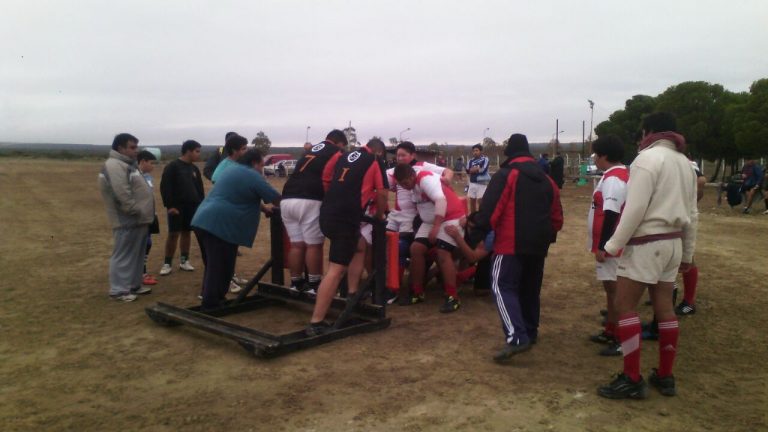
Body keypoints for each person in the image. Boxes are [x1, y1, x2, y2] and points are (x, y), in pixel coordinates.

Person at [597, 112, 698, 399]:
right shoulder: (686, 164)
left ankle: (631, 378)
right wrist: (687, 253)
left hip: (646, 243)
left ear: (649, 131)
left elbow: (635, 208)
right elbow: (693, 213)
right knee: (664, 308)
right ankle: (665, 375)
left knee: (625, 307)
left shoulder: (647, 159)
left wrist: (612, 245)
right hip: (673, 243)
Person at [470, 133, 563, 364]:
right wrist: (546, 238)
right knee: (530, 288)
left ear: (508, 153)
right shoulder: (546, 179)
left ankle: (517, 337)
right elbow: (557, 217)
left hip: (510, 242)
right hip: (539, 245)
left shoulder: (506, 175)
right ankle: (530, 332)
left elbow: (490, 210)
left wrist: (475, 237)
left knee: (502, 285)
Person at [306, 139, 388, 336]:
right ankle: (316, 321)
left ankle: (352, 294)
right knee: (336, 269)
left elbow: (326, 178)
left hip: (327, 213)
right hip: (345, 217)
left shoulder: (343, 157)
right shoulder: (374, 160)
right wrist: (379, 215)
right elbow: (383, 192)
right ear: (379, 151)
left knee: (359, 245)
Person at [191, 149, 280, 310]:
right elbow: (275, 197)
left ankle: (216, 299)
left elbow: (241, 194)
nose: (262, 168)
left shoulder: (233, 170)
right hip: (219, 225)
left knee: (220, 264)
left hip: (204, 220)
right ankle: (211, 303)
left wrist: (264, 209)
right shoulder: (252, 175)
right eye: (261, 164)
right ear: (254, 163)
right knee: (219, 266)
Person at [385, 141, 452, 303]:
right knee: (382, 243)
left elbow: (447, 171)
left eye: (403, 155)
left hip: (418, 219)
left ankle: (394, 287)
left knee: (400, 247)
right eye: (398, 155)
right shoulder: (394, 171)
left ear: (413, 155)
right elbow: (379, 184)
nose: (399, 158)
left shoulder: (423, 168)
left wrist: (446, 180)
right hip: (398, 216)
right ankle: (385, 281)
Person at [394, 163, 467, 312]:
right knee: (416, 249)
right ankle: (418, 292)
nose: (405, 187)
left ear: (412, 176)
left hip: (450, 217)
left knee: (443, 253)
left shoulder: (425, 178)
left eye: (406, 183)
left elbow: (441, 200)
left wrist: (436, 228)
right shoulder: (412, 184)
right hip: (432, 220)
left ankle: (452, 297)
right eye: (401, 185)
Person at [281, 129, 347, 294]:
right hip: (311, 198)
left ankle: (296, 283)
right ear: (339, 143)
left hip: (288, 197)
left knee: (296, 245)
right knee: (314, 245)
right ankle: (314, 285)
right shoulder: (336, 152)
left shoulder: (311, 150)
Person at [98, 133, 155, 302]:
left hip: (138, 220)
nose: (136, 151)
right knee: (123, 255)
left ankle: (133, 285)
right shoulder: (115, 165)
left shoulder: (127, 164)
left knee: (136, 254)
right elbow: (121, 192)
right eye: (132, 147)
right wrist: (134, 210)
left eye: (136, 147)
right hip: (127, 220)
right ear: (120, 148)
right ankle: (118, 290)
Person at [585, 136, 628, 357]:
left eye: (595, 155)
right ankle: (611, 331)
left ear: (604, 156)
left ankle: (622, 339)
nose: (595, 159)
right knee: (611, 291)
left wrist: (604, 246)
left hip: (612, 247)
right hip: (610, 245)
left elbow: (612, 213)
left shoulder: (614, 179)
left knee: (616, 292)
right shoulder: (613, 176)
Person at [159, 140, 205, 276]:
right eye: (197, 151)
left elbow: (199, 189)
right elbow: (165, 187)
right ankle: (167, 263)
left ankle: (184, 260)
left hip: (193, 207)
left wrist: (201, 204)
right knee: (173, 234)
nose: (199, 154)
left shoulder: (194, 168)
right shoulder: (172, 167)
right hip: (177, 207)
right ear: (188, 151)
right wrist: (170, 206)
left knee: (187, 232)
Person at [674, 159, 706, 316]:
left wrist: (691, 202)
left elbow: (701, 179)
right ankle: (664, 293)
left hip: (682, 218)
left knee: (687, 258)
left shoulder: (684, 161)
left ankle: (689, 301)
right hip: (668, 216)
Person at [137, 150, 160, 287]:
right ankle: (140, 274)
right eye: (151, 163)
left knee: (148, 243)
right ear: (143, 161)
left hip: (151, 214)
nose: (153, 166)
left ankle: (143, 272)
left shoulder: (148, 177)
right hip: (142, 217)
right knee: (142, 244)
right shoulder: (135, 177)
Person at [466, 144, 490, 213]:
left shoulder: (485, 159)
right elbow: (467, 170)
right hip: (472, 183)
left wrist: (473, 170)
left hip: (482, 183)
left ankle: (481, 217)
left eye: (477, 150)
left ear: (481, 151)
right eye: (473, 151)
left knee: (481, 201)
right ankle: (472, 217)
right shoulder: (470, 161)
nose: (475, 152)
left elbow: (484, 170)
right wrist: (476, 169)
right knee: (472, 201)